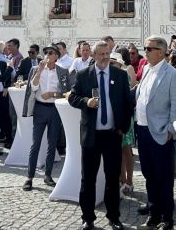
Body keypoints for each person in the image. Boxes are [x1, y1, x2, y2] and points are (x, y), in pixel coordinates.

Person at [68, 41, 132, 230]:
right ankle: (87, 218)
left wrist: (123, 128)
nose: (105, 57)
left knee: (112, 177)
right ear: (94, 55)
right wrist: (86, 102)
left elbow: (127, 104)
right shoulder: (83, 75)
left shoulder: (119, 75)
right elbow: (72, 97)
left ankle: (114, 217)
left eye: (107, 53)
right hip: (91, 135)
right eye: (101, 54)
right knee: (88, 178)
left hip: (112, 134)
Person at [135, 36, 176, 230]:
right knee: (149, 175)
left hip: (161, 132)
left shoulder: (172, 74)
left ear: (161, 52)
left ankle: (167, 218)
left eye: (149, 48)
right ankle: (153, 215)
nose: (145, 52)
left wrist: (170, 130)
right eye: (145, 48)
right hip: (142, 129)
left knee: (163, 177)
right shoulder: (146, 69)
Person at [22, 46, 70, 190]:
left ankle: (48, 175)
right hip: (40, 108)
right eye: (46, 53)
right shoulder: (35, 69)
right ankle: (29, 177)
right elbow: (33, 88)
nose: (47, 55)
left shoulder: (62, 71)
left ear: (56, 56)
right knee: (35, 143)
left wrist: (52, 94)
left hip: (55, 109)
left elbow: (66, 92)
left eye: (51, 53)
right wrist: (39, 71)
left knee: (52, 143)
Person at [115, 49, 138, 197]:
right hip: (113, 120)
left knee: (127, 151)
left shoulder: (123, 76)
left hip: (124, 118)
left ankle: (129, 181)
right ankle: (121, 179)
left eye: (113, 62)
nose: (111, 65)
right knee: (117, 152)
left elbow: (129, 101)